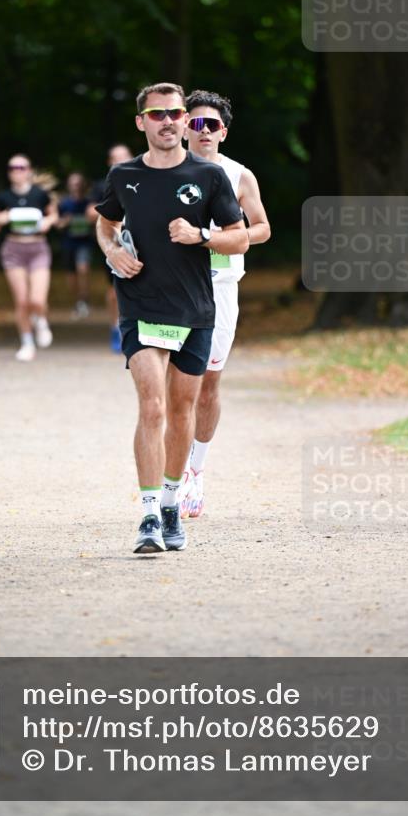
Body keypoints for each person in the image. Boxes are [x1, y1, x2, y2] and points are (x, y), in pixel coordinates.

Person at [95, 83, 248, 554]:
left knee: (182, 412)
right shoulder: (123, 176)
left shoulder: (211, 176)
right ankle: (146, 517)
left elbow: (239, 237)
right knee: (153, 407)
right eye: (156, 114)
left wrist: (200, 235)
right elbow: (106, 223)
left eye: (175, 114)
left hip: (196, 309)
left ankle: (168, 504)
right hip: (141, 305)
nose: (167, 121)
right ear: (141, 122)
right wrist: (112, 252)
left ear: (185, 121)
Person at [180, 89, 271, 518]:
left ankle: (196, 471)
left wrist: (223, 239)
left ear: (224, 132)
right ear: (182, 128)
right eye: (194, 123)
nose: (202, 131)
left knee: (208, 383)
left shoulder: (240, 176)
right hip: (175, 288)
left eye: (210, 124)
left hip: (221, 286)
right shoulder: (165, 172)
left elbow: (263, 228)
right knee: (172, 384)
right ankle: (171, 475)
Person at [0, 155, 57, 361]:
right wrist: (0, 219)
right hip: (13, 250)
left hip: (38, 249)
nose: (16, 171)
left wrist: (48, 222)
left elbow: (54, 215)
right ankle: (27, 342)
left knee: (37, 299)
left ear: (29, 170)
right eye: (12, 168)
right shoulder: (3, 197)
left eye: (21, 167)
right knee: (22, 300)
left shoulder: (40, 195)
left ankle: (41, 320)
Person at [87, 144, 133, 351]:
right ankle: (115, 328)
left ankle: (136, 329)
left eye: (123, 157)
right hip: (114, 243)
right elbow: (89, 212)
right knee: (114, 290)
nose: (119, 161)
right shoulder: (101, 185)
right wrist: (112, 218)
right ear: (109, 162)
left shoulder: (144, 178)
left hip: (142, 242)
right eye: (115, 158)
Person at [57, 172, 94, 318]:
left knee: (83, 269)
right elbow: (57, 224)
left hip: (84, 243)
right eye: (73, 183)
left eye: (78, 183)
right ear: (68, 185)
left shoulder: (89, 203)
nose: (75, 186)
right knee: (71, 278)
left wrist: (90, 220)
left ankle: (84, 301)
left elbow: (98, 221)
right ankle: (78, 301)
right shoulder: (63, 203)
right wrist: (65, 221)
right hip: (68, 244)